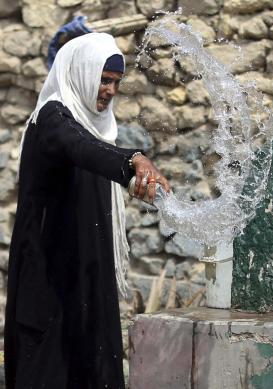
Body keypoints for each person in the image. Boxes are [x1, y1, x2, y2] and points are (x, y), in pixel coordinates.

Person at [4, 32, 170, 388]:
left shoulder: (97, 131)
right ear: (82, 72)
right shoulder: (52, 119)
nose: (110, 90)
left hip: (87, 282)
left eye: (116, 83)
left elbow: (91, 148)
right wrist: (133, 160)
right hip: (48, 289)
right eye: (103, 80)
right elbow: (78, 147)